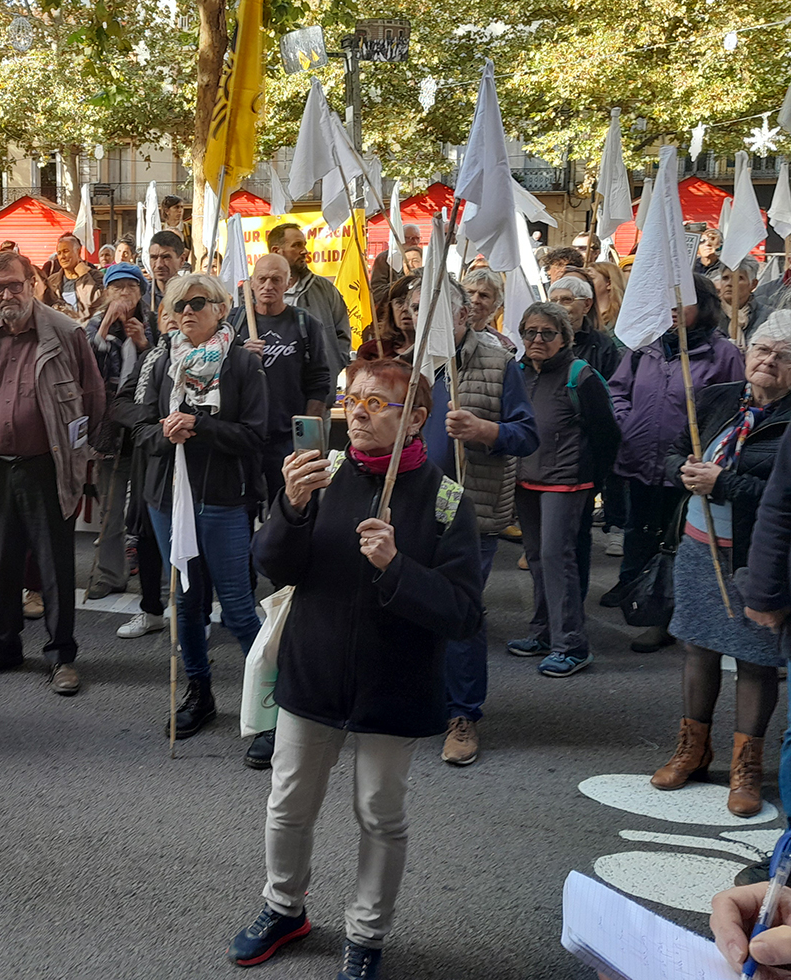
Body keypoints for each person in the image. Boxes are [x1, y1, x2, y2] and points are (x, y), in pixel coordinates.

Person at [232, 355, 482, 978]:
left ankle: (368, 934)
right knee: (287, 801)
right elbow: (275, 565)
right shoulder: (325, 471)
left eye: (378, 404)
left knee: (379, 811)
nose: (360, 414)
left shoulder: (447, 500)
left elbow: (463, 614)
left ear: (417, 420)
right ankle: (284, 906)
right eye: (354, 400)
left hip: (393, 684)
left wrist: (396, 567)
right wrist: (289, 508)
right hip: (312, 672)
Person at [647, 313, 791, 817]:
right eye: (763, 349)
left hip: (756, 560)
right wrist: (682, 471)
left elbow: (783, 498)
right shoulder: (717, 398)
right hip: (695, 545)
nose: (769, 361)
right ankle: (693, 748)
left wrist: (722, 483)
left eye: (783, 355)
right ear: (747, 351)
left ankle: (746, 766)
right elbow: (666, 453)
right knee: (698, 648)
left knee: (754, 661)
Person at [133, 273, 270, 759]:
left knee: (236, 606)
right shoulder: (160, 362)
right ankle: (199, 693)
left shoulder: (241, 365)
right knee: (186, 603)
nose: (188, 311)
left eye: (199, 302)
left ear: (220, 309)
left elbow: (255, 437)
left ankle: (267, 711)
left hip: (222, 501)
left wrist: (202, 426)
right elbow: (138, 427)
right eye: (178, 304)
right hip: (169, 500)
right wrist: (164, 432)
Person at [0, 249, 105, 695]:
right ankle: (4, 646)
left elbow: (93, 399)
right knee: (1, 566)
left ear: (33, 283)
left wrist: (79, 462)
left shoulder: (65, 332)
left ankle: (61, 656)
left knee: (55, 565)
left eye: (14, 285)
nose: (6, 295)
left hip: (47, 467)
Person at [414, 276, 538, 764]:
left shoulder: (500, 363)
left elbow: (526, 435)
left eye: (442, 309)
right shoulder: (411, 363)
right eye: (423, 307)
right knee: (414, 605)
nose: (431, 317)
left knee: (461, 611)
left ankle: (463, 713)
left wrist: (485, 429)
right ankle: (422, 697)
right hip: (417, 506)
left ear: (466, 314)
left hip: (474, 509)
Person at [604, 274, 745, 651]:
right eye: (667, 302)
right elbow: (618, 389)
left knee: (674, 540)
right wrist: (625, 420)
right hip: (638, 455)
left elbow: (733, 409)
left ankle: (666, 616)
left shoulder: (724, 354)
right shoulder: (645, 347)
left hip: (685, 465)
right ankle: (632, 588)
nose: (672, 311)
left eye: (681, 302)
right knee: (638, 527)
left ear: (703, 306)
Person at [505, 301, 621, 677]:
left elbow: (607, 434)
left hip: (568, 482)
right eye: (530, 332)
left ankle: (571, 645)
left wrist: (593, 482)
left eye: (547, 333)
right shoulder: (518, 372)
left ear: (564, 338)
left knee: (558, 559)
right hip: (527, 479)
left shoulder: (580, 375)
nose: (537, 339)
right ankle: (541, 632)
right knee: (538, 558)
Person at [233, 253, 331, 514]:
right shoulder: (233, 324)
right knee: (242, 513)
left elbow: (320, 381)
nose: (268, 286)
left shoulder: (305, 324)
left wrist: (308, 440)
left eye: (277, 279)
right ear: (251, 283)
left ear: (288, 284)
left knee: (290, 509)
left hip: (286, 438)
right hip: (242, 438)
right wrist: (239, 355)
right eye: (262, 279)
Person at [84, 263, 158, 602]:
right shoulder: (94, 326)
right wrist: (104, 334)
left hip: (146, 427)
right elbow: (85, 370)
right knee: (111, 509)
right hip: (110, 430)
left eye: (131, 287)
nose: (124, 293)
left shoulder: (155, 322)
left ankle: (153, 579)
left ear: (141, 292)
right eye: (117, 287)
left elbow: (165, 368)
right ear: (106, 293)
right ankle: (109, 574)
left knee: (148, 508)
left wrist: (144, 344)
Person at [268, 222, 352, 403]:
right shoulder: (255, 293)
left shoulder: (325, 290)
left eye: (304, 245)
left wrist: (330, 369)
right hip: (270, 401)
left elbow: (342, 335)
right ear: (276, 251)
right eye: (296, 245)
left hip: (318, 399)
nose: (304, 251)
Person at [45, 233, 102, 319]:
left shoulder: (96, 276)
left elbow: (95, 302)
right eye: (59, 253)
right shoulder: (52, 281)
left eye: (66, 251)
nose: (62, 257)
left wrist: (84, 276)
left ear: (78, 252)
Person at [460, 266, 514, 352]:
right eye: (470, 293)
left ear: (495, 304)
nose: (475, 300)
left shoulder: (503, 346)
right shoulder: (443, 336)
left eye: (484, 295)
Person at [371, 223, 421, 303]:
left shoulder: (422, 256)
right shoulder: (385, 258)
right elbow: (377, 290)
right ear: (401, 238)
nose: (415, 242)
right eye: (411, 238)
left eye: (417, 238)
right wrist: (403, 286)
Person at [145, 229, 187, 317]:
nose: (159, 265)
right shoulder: (142, 296)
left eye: (166, 257)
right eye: (154, 257)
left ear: (182, 260)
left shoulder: (189, 295)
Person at [719, 259, 763, 343]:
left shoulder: (767, 316)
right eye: (725, 278)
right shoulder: (708, 314)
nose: (729, 283)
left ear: (753, 284)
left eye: (739, 278)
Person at [587, 261, 627, 332]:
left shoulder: (623, 318)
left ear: (609, 283)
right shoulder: (581, 315)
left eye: (590, 278)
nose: (585, 282)